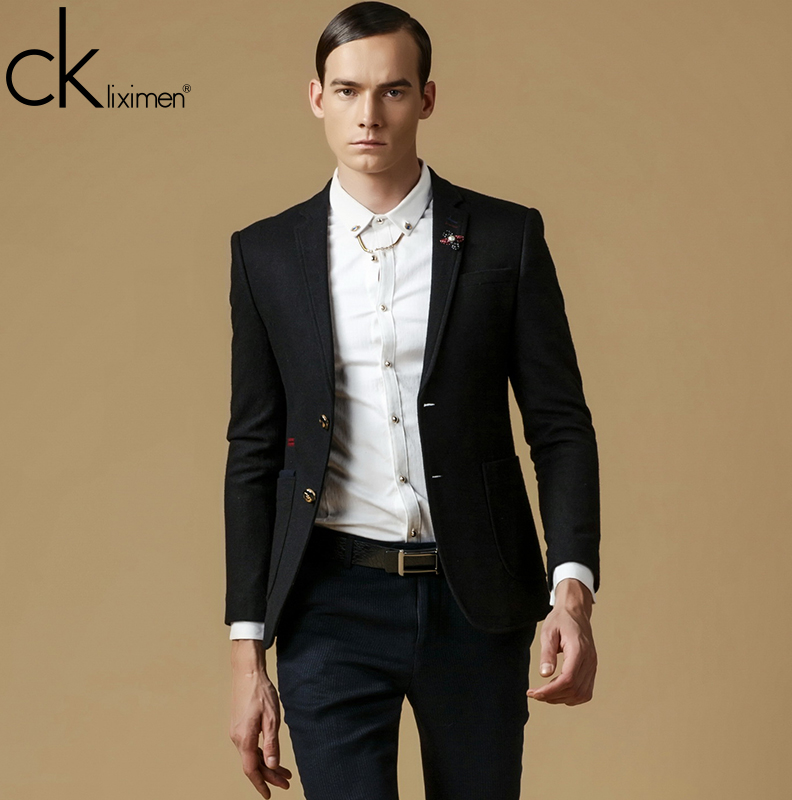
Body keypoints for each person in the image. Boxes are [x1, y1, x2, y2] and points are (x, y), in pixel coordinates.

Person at [225, 3, 600, 798]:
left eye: (392, 90)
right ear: (316, 98)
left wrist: (572, 592)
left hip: (478, 599)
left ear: (426, 98)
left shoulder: (505, 238)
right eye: (347, 90)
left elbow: (560, 425)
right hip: (329, 604)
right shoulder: (266, 254)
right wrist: (246, 653)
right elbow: (254, 452)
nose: (369, 115)